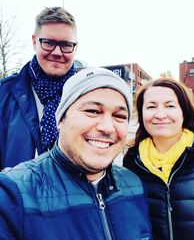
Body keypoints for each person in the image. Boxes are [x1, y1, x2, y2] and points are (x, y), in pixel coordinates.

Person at [0, 67, 152, 240]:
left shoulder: (134, 185)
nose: (107, 127)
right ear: (61, 120)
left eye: (119, 116)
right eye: (93, 111)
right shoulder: (13, 194)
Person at [0, 6, 78, 169]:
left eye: (65, 45)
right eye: (49, 43)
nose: (57, 52)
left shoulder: (88, 96)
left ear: (75, 47)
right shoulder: (3, 94)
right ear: (35, 42)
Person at [123, 77, 194, 240]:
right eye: (151, 106)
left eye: (170, 106)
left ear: (184, 111)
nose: (160, 115)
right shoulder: (131, 162)